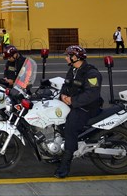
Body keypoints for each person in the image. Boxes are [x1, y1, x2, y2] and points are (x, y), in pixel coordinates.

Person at [55, 45, 103, 179]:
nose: (65, 58)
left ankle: (65, 165)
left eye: (67, 56)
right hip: (74, 104)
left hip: (87, 108)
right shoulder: (73, 70)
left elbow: (91, 94)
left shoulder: (91, 73)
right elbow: (66, 85)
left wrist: (72, 100)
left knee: (71, 126)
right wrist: (63, 96)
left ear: (75, 57)